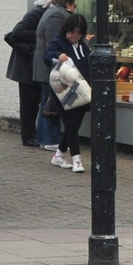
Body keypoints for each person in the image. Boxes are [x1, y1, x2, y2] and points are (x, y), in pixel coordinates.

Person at [5, 0, 56, 148]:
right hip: (26, 67)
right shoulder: (36, 14)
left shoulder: (43, 13)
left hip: (31, 64)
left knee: (35, 102)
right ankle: (28, 137)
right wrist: (41, 35)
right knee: (29, 103)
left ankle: (34, 135)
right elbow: (17, 32)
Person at [33, 0, 76, 153]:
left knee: (48, 101)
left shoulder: (53, 12)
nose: (75, 7)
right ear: (67, 3)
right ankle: (49, 139)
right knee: (51, 102)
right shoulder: (56, 15)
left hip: (49, 66)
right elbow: (54, 43)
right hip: (50, 67)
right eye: (74, 4)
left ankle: (45, 138)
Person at [48, 13, 92, 173]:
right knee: (71, 124)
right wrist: (58, 56)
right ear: (66, 30)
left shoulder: (82, 45)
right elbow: (48, 54)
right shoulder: (59, 42)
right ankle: (77, 160)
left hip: (81, 91)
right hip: (65, 92)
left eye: (79, 33)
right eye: (73, 32)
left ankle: (58, 155)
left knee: (74, 125)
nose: (75, 36)